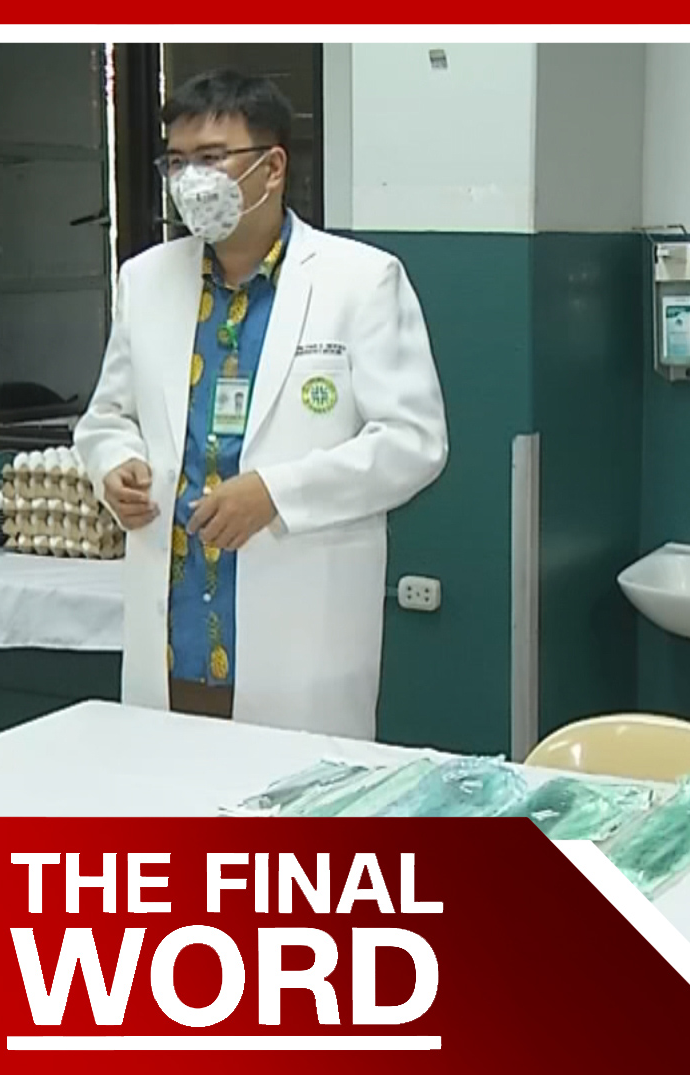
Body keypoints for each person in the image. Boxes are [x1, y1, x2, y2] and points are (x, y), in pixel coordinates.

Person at [75, 69, 448, 739]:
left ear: (272, 168)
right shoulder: (146, 280)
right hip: (173, 637)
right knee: (164, 789)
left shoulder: (361, 281)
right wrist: (114, 464)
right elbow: (107, 417)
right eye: (177, 162)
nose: (190, 180)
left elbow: (412, 442)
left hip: (299, 640)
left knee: (297, 800)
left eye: (212, 158)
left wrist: (276, 493)